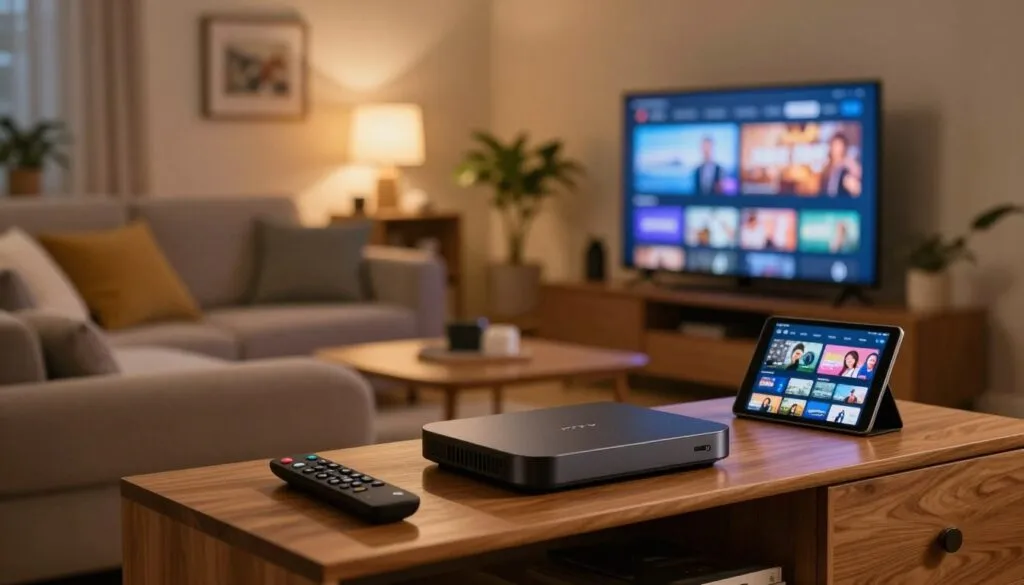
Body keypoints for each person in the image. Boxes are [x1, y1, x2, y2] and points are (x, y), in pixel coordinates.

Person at [821, 132, 862, 197]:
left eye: (839, 145)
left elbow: (857, 190)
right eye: (834, 145)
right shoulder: (827, 168)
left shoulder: (845, 169)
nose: (836, 149)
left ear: (843, 148)